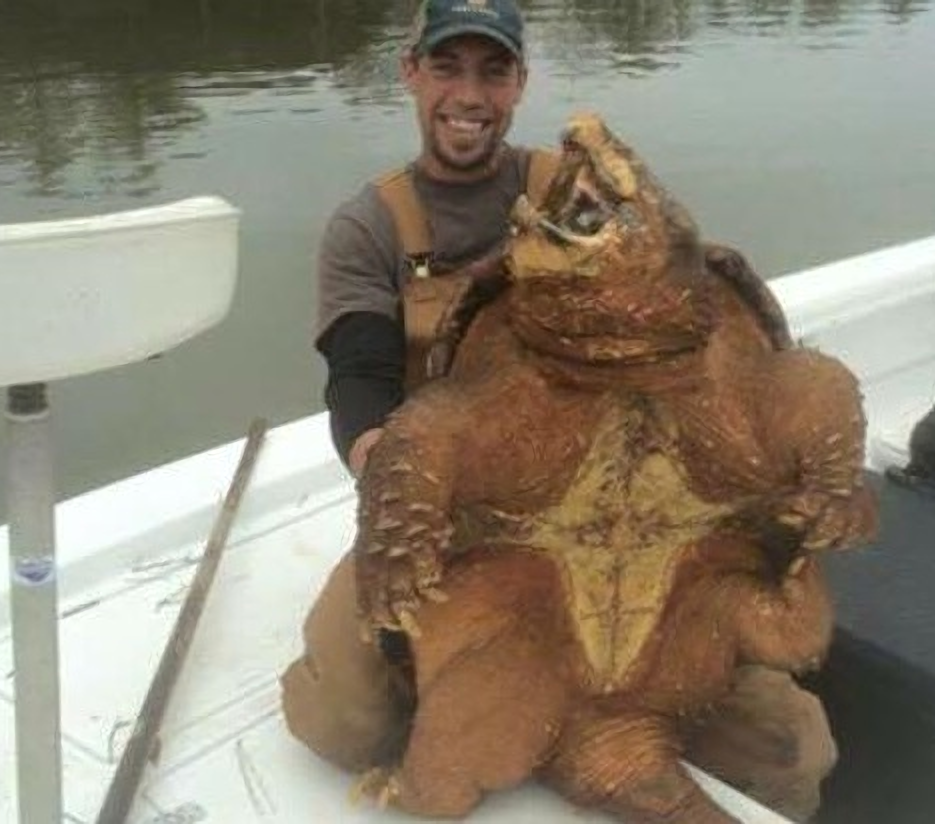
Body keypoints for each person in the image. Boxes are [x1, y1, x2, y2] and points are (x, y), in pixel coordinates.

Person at [279, 1, 837, 818]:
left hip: (648, 504)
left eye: (492, 71)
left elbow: (706, 323)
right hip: (470, 514)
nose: (469, 93)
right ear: (411, 74)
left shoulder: (574, 196)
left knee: (792, 749)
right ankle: (519, 707)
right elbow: (359, 381)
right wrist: (399, 487)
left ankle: (594, 716)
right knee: (344, 723)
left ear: (518, 85)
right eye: (448, 67)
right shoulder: (370, 227)